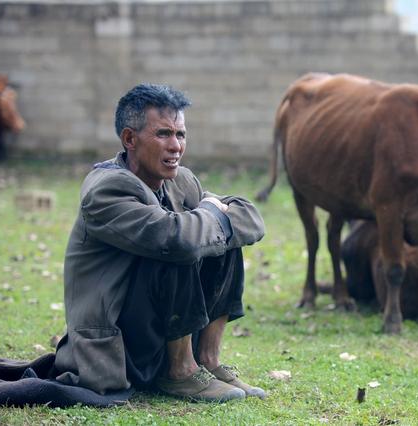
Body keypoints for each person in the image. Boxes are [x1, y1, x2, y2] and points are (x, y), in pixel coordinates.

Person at [52, 84, 266, 403]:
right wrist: (211, 210)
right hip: (121, 346)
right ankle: (179, 372)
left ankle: (207, 360)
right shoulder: (107, 190)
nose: (176, 146)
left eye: (180, 134)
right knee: (179, 245)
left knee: (221, 239)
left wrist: (210, 218)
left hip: (160, 331)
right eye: (164, 134)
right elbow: (175, 239)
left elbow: (251, 218)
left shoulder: (181, 179)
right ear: (130, 139)